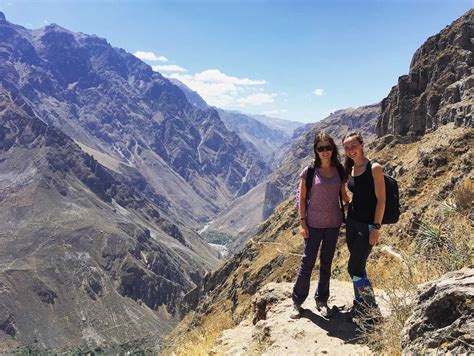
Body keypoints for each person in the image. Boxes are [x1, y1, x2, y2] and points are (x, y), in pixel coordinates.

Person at [290, 132, 350, 319]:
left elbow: (343, 195)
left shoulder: (339, 170)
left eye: (328, 147)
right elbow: (301, 198)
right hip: (313, 224)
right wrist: (302, 223)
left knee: (326, 263)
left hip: (333, 224)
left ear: (333, 149)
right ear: (316, 151)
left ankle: (322, 301)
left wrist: (353, 205)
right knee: (307, 263)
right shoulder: (309, 172)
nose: (325, 152)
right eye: (320, 148)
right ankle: (297, 302)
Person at [342, 132, 385, 324]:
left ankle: (371, 308)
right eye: (347, 147)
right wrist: (348, 205)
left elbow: (381, 200)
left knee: (353, 267)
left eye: (353, 146)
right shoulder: (351, 168)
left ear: (362, 145)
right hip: (351, 222)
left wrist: (376, 227)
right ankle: (361, 304)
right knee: (359, 267)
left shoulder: (374, 168)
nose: (351, 150)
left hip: (367, 225)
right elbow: (356, 193)